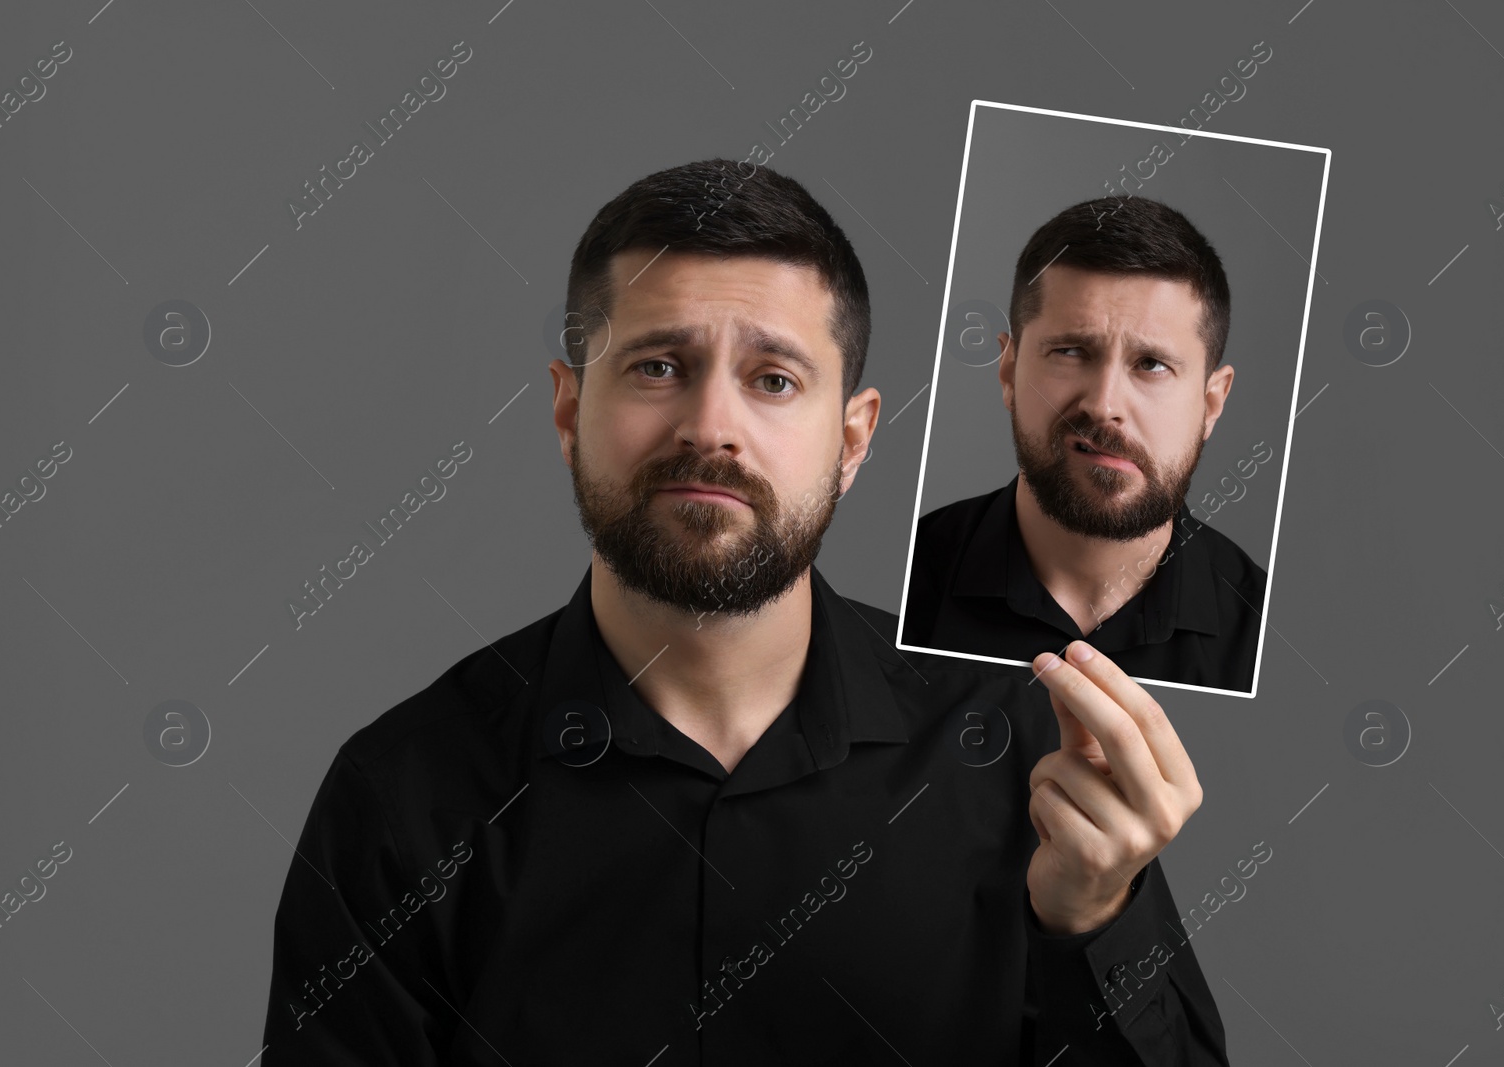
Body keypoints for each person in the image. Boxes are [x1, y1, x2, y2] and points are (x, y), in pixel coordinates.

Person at [261, 161, 1228, 1065]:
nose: (709, 426)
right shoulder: (403, 797)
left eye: (773, 379)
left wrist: (1096, 919)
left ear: (852, 440)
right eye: (656, 367)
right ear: (567, 411)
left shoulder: (1022, 749)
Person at [902, 197, 1268, 694]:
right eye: (1071, 351)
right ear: (1008, 371)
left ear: (1211, 403)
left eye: (1152, 364)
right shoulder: (896, 588)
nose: (1104, 404)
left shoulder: (1263, 634)